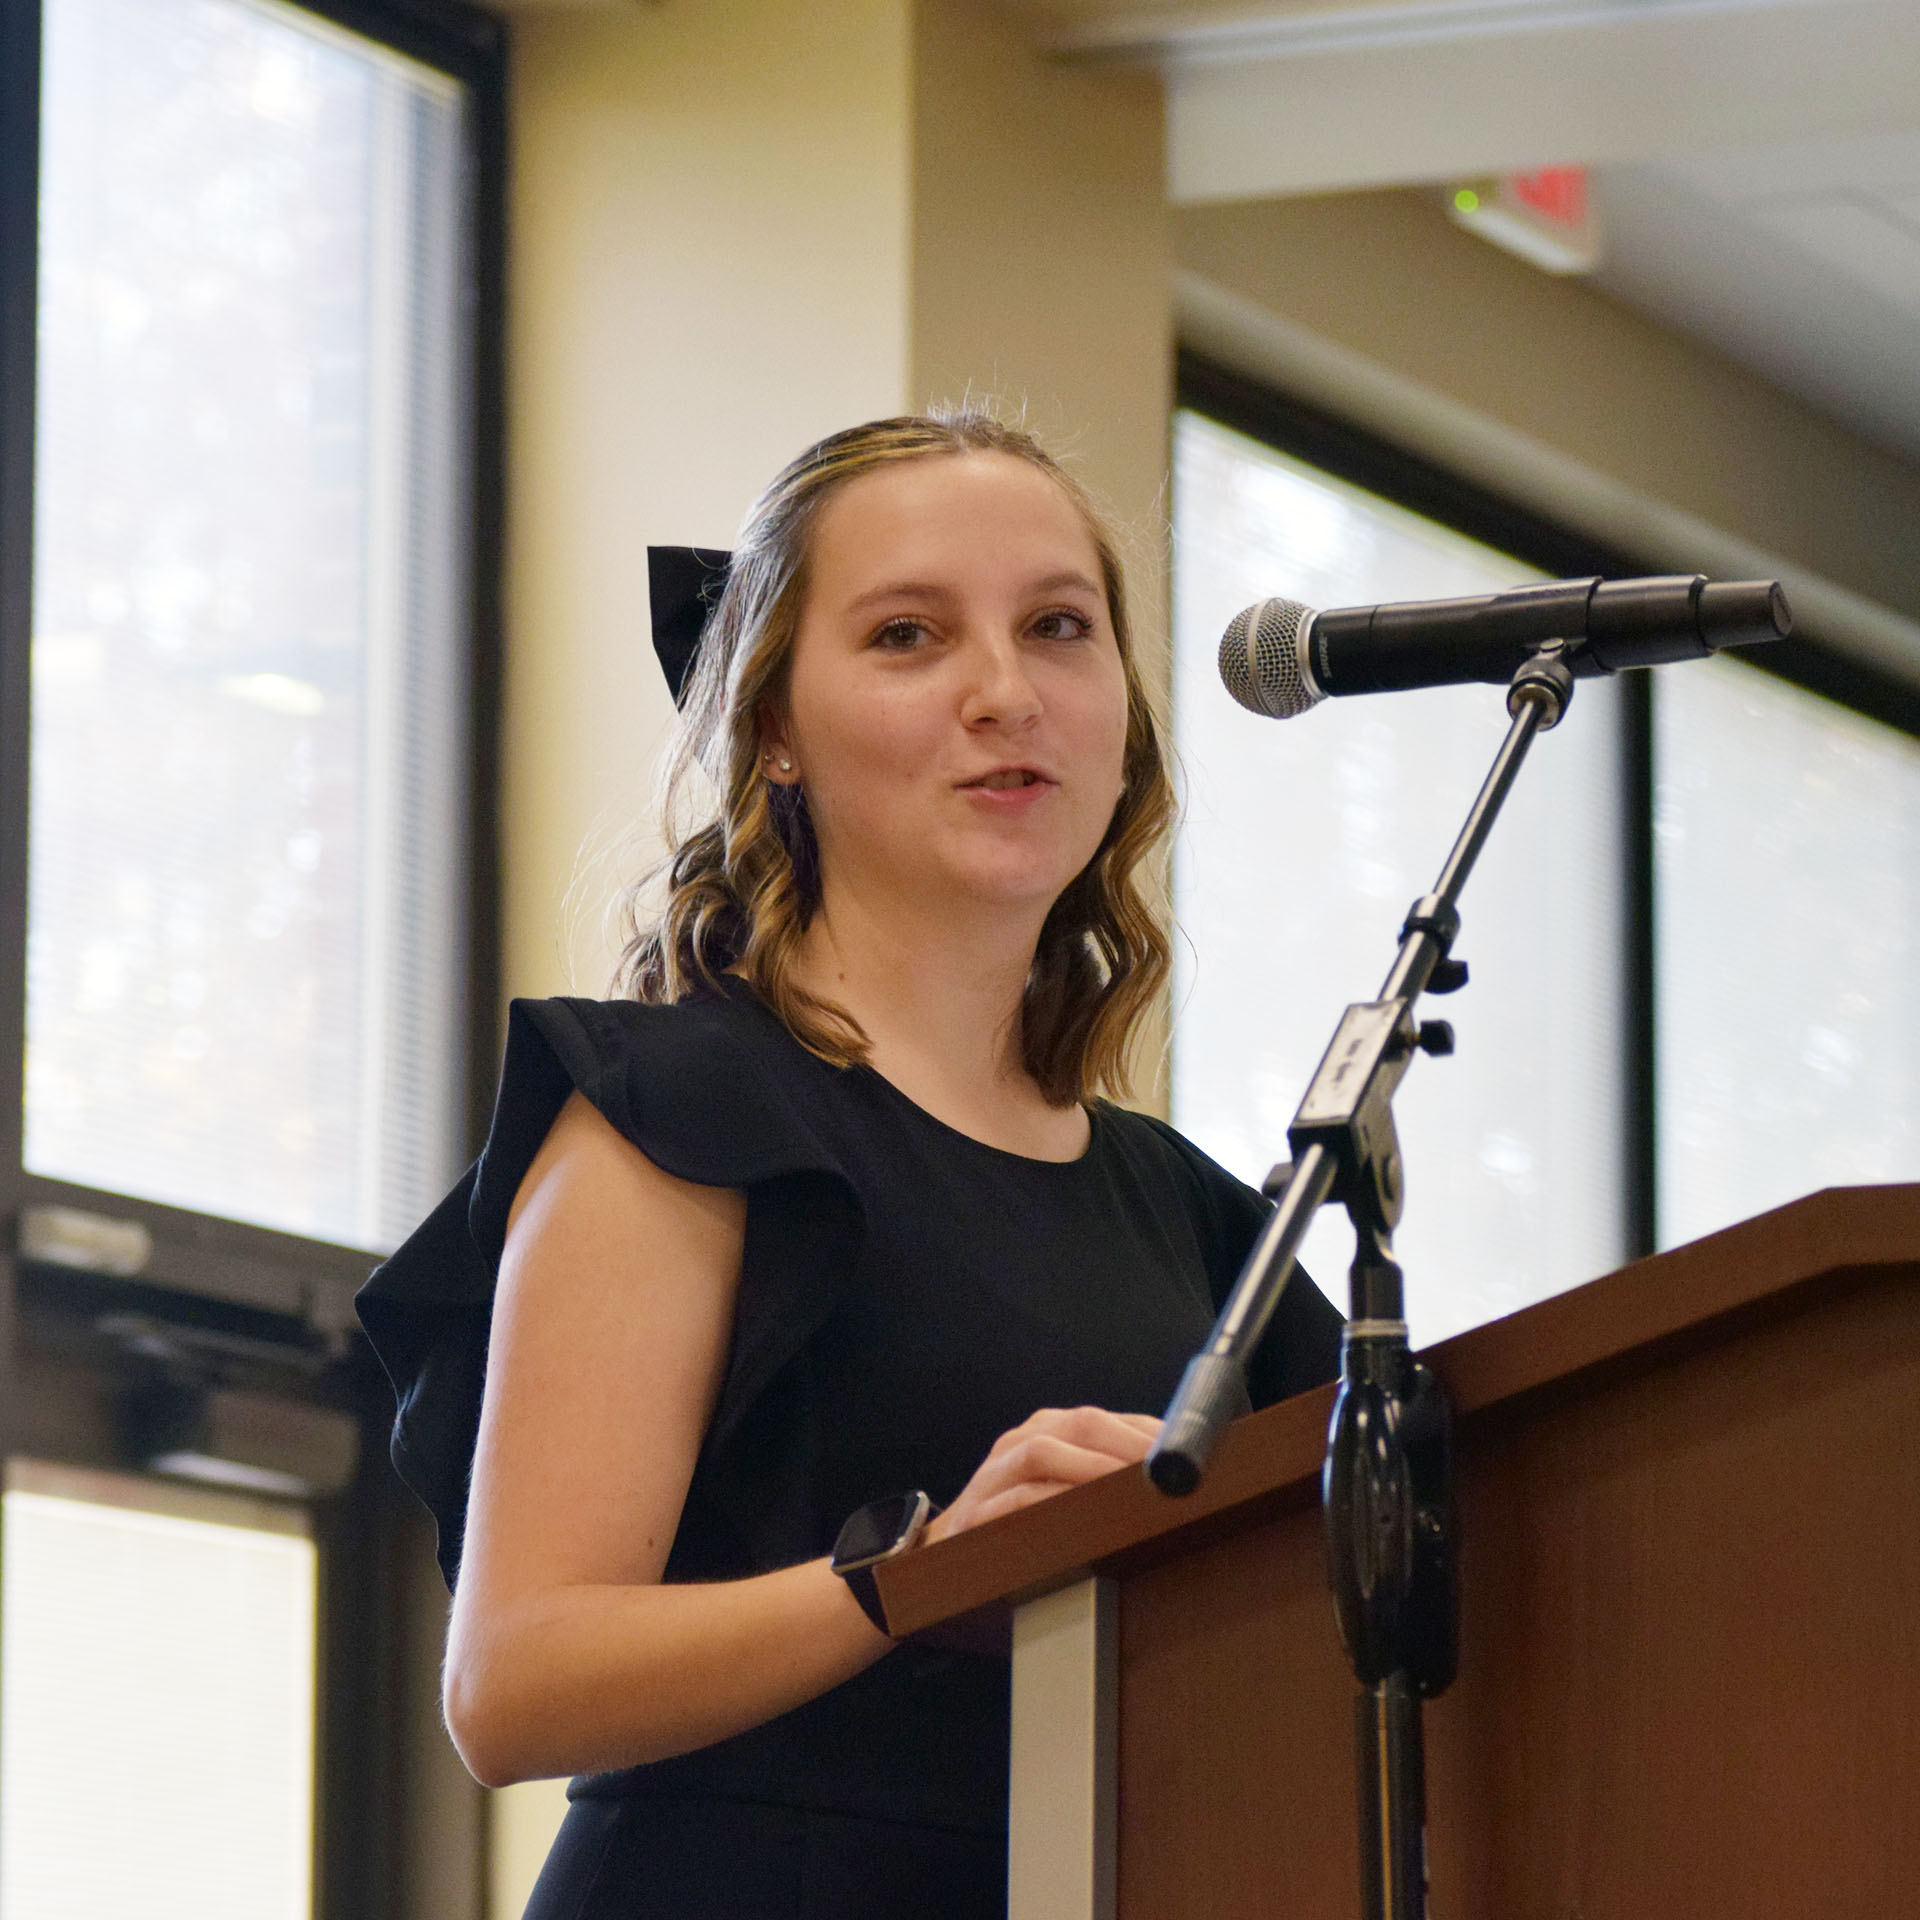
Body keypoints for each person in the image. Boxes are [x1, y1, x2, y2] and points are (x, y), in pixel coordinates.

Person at [357, 410, 1344, 1920]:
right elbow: (513, 1683)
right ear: (773, 729)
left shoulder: (1207, 1221)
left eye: (1059, 629)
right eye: (908, 637)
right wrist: (916, 1574)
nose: (1005, 693)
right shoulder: (677, 1115)